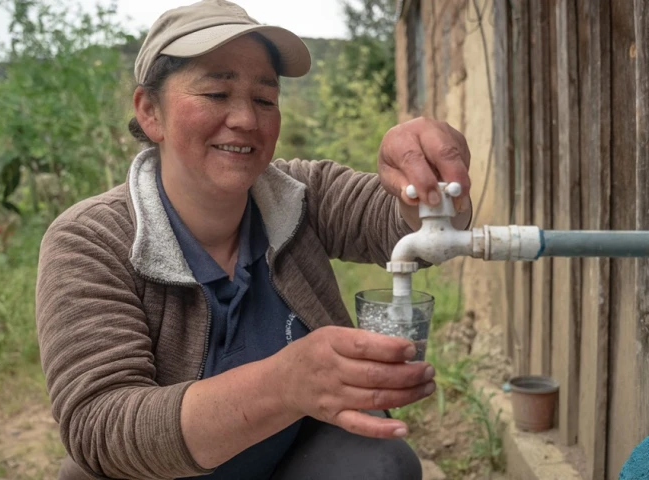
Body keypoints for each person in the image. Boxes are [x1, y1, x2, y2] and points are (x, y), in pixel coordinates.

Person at [35, 0, 473, 478]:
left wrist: (429, 185)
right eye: (217, 93)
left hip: (288, 458)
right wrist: (285, 384)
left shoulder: (300, 195)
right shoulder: (90, 240)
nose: (246, 119)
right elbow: (100, 426)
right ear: (149, 113)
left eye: (265, 99)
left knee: (379, 463)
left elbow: (404, 224)